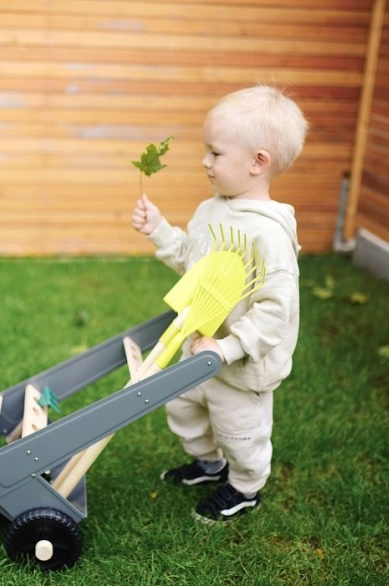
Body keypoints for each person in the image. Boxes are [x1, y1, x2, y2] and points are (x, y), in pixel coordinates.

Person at [131, 84, 308, 523]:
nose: (204, 162)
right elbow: (196, 269)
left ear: (257, 162)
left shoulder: (268, 235)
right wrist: (160, 230)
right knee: (182, 406)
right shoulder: (211, 211)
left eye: (215, 153)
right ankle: (209, 464)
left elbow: (274, 312)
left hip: (240, 364)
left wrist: (226, 349)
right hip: (200, 348)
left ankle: (245, 486)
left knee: (240, 431)